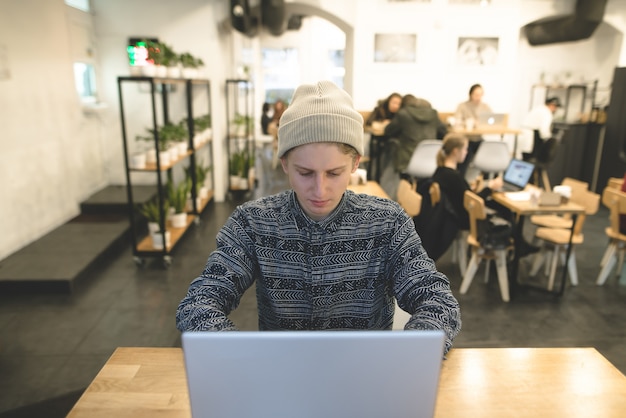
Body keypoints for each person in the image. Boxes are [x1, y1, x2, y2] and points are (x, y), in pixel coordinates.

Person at [176, 81, 461, 354]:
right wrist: (244, 357)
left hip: (367, 377)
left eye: (335, 173)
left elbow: (437, 301)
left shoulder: (387, 223)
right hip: (282, 378)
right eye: (305, 173)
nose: (320, 190)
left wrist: (407, 355)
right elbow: (200, 303)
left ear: (356, 163)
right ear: (284, 162)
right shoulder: (252, 223)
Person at [379, 94, 447, 199]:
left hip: (408, 160)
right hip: (431, 162)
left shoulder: (403, 114)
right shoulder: (434, 115)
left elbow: (388, 131)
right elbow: (444, 132)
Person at [454, 84, 492, 175]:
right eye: (476, 95)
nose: (479, 98)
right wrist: (469, 122)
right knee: (464, 154)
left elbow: (491, 120)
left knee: (488, 154)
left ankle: (486, 180)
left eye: (480, 95)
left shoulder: (485, 106)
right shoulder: (462, 106)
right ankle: (461, 178)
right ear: (471, 94)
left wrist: (481, 124)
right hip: (467, 139)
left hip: (479, 138)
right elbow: (457, 121)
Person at [521, 96, 561, 162]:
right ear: (552, 105)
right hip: (532, 136)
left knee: (525, 158)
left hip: (525, 135)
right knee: (530, 159)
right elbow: (544, 130)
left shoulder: (539, 108)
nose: (555, 110)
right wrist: (550, 139)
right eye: (555, 107)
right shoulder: (547, 113)